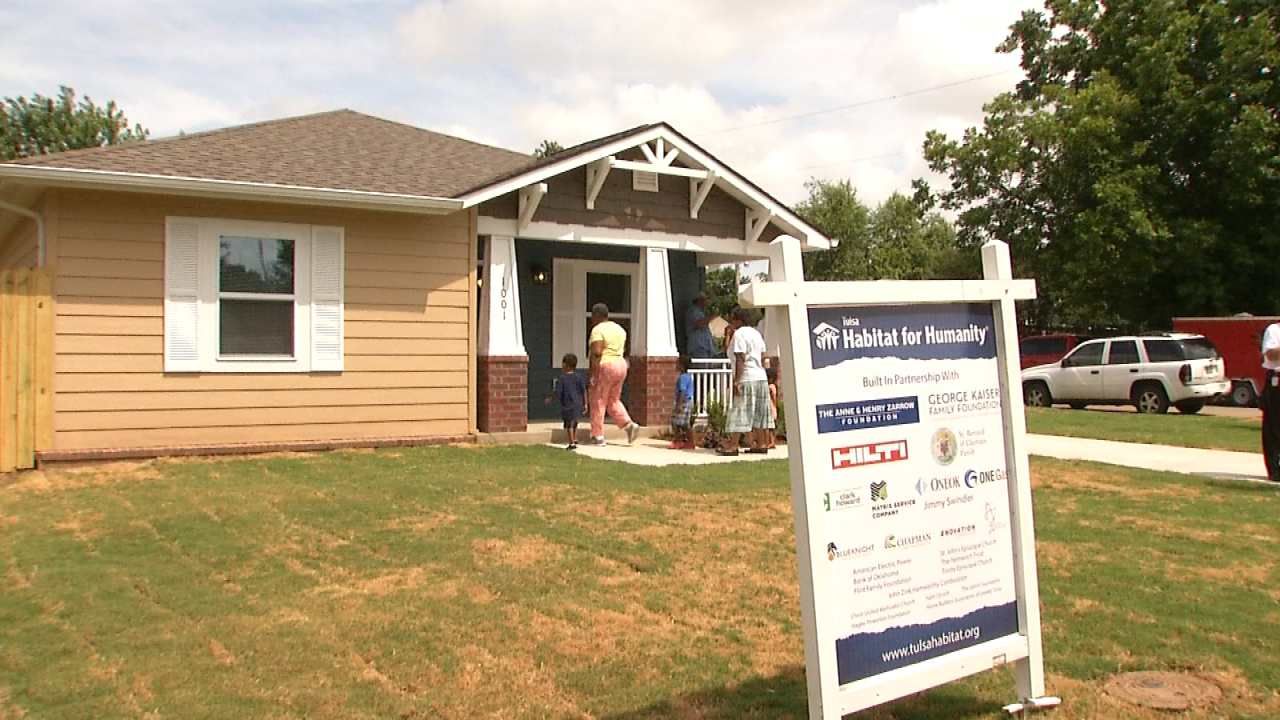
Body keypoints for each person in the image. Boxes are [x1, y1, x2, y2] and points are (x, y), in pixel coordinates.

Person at [719, 307, 773, 455]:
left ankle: (733, 445)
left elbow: (740, 358)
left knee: (740, 411)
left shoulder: (739, 334)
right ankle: (762, 443)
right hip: (760, 377)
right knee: (760, 412)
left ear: (738, 319)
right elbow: (763, 356)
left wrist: (737, 381)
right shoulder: (756, 333)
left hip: (747, 377)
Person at [588, 302, 641, 446]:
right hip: (621, 364)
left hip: (606, 365)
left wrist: (593, 374)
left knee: (598, 400)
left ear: (596, 315)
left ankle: (597, 435)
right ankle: (628, 425)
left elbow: (597, 352)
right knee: (613, 400)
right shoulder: (619, 329)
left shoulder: (598, 330)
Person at [554, 353, 588, 450]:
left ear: (565, 365)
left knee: (569, 424)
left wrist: (554, 399)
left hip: (568, 404)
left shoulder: (562, 378)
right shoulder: (579, 377)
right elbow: (584, 390)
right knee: (575, 422)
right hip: (578, 403)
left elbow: (558, 392)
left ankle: (571, 443)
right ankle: (575, 438)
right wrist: (585, 404)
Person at [1261, 322, 1280, 481]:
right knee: (1274, 427)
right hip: (1277, 382)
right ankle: (1275, 470)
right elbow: (1271, 355)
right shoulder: (1274, 330)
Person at [669, 356, 695, 449]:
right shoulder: (687, 377)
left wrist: (679, 405)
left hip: (684, 402)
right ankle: (689, 442)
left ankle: (678, 440)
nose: (676, 365)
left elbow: (682, 392)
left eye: (677, 363)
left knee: (675, 422)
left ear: (682, 366)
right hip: (688, 402)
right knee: (684, 424)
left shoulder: (683, 378)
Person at [685, 294, 716, 359]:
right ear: (699, 300)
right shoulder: (693, 311)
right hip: (698, 347)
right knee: (701, 367)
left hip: (704, 347)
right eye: (706, 299)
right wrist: (712, 317)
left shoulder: (700, 312)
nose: (707, 302)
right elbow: (698, 323)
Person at [766, 365, 779, 450]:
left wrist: (774, 405)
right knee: (770, 426)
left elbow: (773, 397)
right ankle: (771, 441)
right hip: (772, 408)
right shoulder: (772, 386)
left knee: (770, 427)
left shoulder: (771, 387)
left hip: (771, 408)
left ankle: (772, 442)